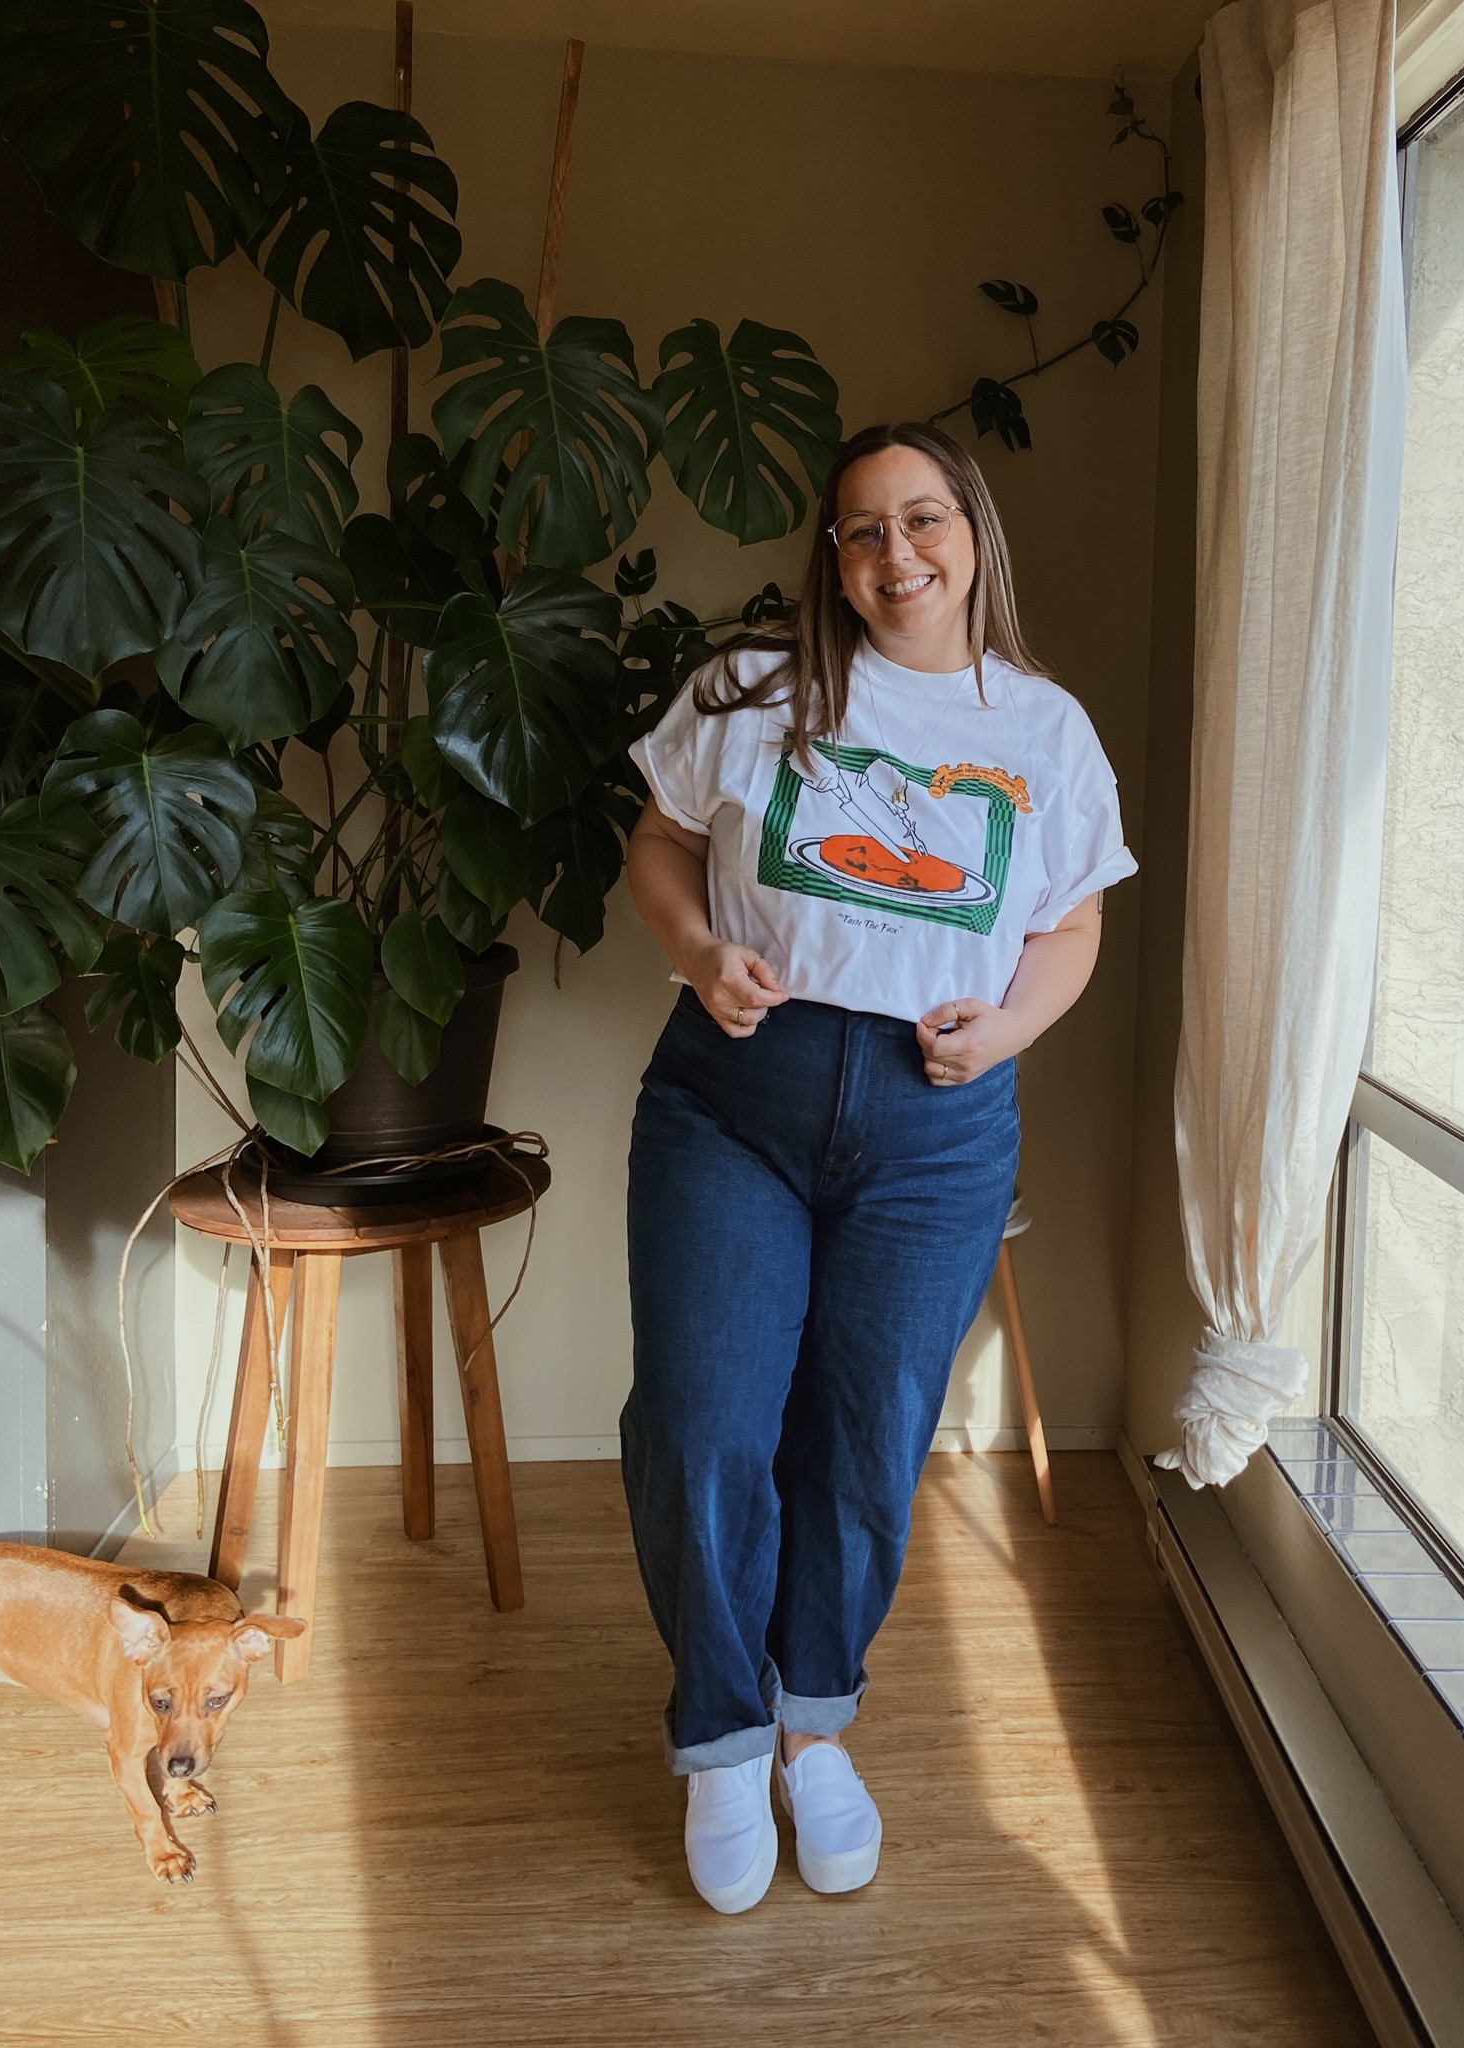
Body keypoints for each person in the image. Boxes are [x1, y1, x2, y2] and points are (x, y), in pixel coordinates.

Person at [621, 421, 1137, 1913]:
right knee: (704, 1421)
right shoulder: (752, 688)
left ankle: (811, 1726)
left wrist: (1011, 1029)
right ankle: (721, 1741)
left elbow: (1074, 926)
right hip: (734, 1099)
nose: (895, 554)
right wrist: (700, 949)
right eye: (861, 530)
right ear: (831, 559)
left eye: (923, 520)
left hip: (937, 1122)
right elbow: (657, 846)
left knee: (867, 1441)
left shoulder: (1043, 729)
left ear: (972, 533)